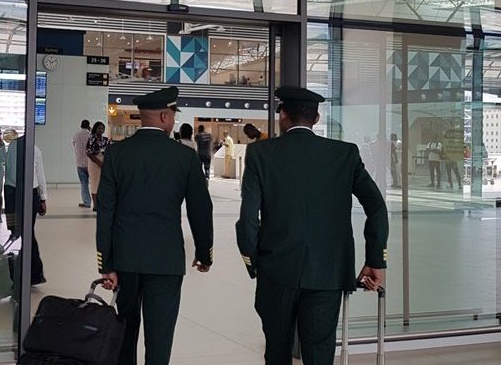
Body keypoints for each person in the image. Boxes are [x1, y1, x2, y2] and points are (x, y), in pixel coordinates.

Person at [236, 86, 389, 365]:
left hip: (277, 270)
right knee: (319, 350)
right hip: (327, 272)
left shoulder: (261, 153)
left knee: (277, 348)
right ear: (316, 119)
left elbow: (247, 219)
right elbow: (376, 206)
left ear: (282, 115)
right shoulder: (344, 154)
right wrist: (375, 259)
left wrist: (253, 260)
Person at [97, 86, 214, 365]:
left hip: (125, 260)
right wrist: (204, 252)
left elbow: (105, 210)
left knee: (124, 331)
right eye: (173, 114)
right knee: (160, 336)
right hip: (166, 261)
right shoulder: (184, 157)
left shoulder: (117, 154)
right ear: (164, 116)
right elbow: (200, 209)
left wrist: (107, 264)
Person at [4, 131, 48, 285]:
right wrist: (43, 199)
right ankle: (32, 274)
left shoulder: (12, 148)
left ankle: (30, 272)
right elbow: (40, 175)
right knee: (28, 233)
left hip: (12, 194)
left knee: (23, 232)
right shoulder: (34, 149)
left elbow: (8, 172)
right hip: (30, 194)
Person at [86, 121, 109, 211]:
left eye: (102, 128)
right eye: (99, 128)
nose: (101, 130)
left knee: (102, 184)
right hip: (94, 163)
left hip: (103, 162)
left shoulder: (105, 140)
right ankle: (95, 205)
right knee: (95, 184)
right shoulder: (91, 139)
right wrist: (98, 162)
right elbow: (89, 153)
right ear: (95, 129)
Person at [72, 119, 93, 208]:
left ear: (81, 125)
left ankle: (87, 202)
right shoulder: (91, 135)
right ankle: (97, 202)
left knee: (84, 184)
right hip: (90, 163)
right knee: (94, 183)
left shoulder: (76, 134)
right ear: (88, 126)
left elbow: (74, 145)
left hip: (80, 163)